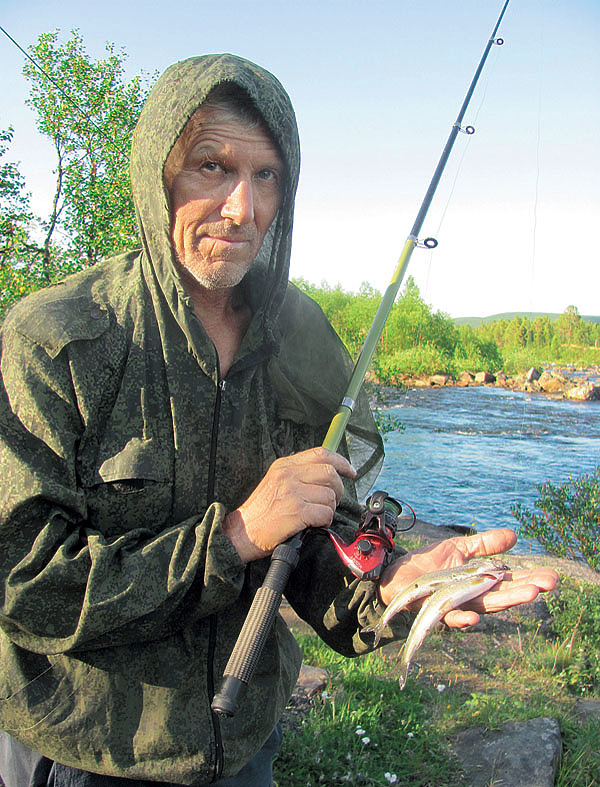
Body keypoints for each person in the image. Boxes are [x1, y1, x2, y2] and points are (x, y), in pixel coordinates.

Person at [0, 54, 557, 786]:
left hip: (244, 748)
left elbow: (317, 537)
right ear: (155, 177)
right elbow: (23, 580)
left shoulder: (300, 335)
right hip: (83, 753)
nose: (244, 208)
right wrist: (236, 536)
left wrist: (390, 583)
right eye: (211, 166)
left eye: (267, 176)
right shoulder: (55, 339)